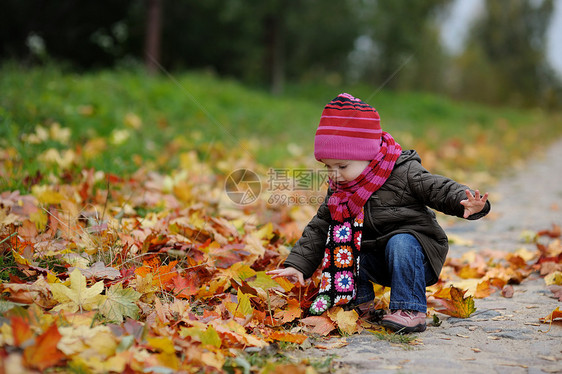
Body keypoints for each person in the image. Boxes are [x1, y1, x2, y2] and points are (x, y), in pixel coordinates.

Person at [267, 93, 490, 333]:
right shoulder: (340, 189)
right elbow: (320, 226)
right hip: (376, 260)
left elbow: (438, 188)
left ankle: (409, 308)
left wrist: (465, 201)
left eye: (342, 166)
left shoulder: (404, 172)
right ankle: (358, 302)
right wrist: (298, 265)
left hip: (415, 257)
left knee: (401, 241)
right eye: (328, 167)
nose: (334, 175)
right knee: (344, 242)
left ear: (369, 155)